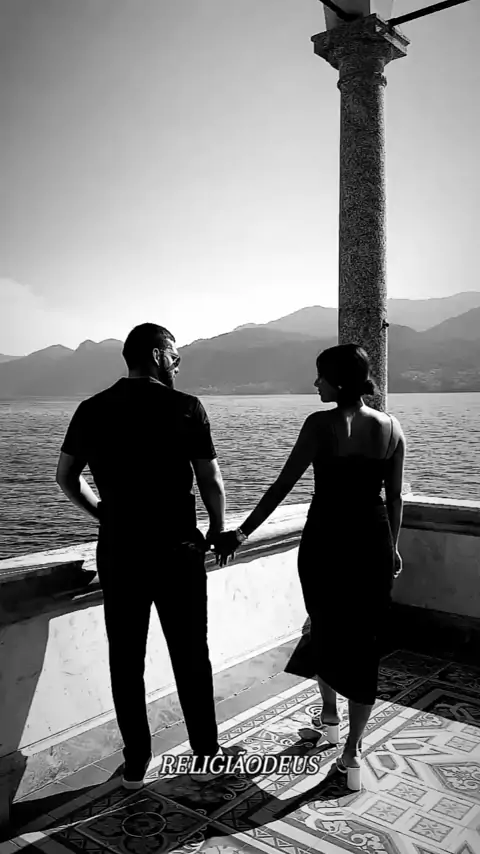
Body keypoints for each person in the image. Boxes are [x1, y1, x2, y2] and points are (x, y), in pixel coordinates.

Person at [213, 343, 406, 792]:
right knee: (365, 642)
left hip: (326, 540)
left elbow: (284, 484)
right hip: (373, 540)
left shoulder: (320, 424)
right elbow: (394, 497)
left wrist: (242, 532)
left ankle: (331, 715)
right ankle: (351, 749)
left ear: (337, 381)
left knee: (325, 626)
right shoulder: (393, 428)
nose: (315, 383)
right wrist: (393, 547)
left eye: (320, 376)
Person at [56, 323, 227, 789]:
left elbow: (66, 476)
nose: (178, 364)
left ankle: (136, 762)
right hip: (177, 550)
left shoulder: (91, 409)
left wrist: (103, 514)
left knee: (126, 659)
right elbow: (209, 479)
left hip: (120, 549)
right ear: (155, 355)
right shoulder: (186, 406)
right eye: (174, 355)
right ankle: (205, 752)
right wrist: (216, 529)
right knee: (191, 654)